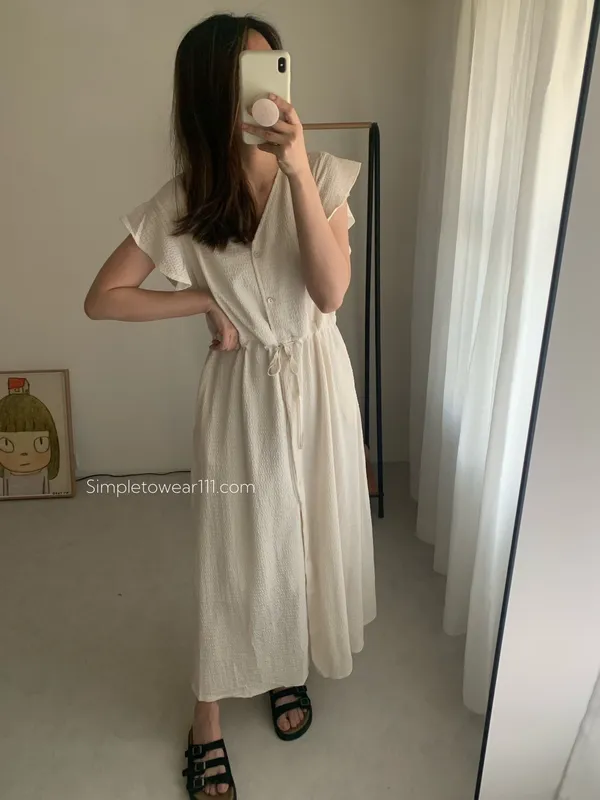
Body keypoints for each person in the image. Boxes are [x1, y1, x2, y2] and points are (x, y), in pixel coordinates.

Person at [84, 13, 376, 799]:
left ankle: (284, 663)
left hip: (319, 382)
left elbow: (329, 292)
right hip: (244, 398)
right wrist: (202, 301)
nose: (264, 89)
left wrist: (296, 170)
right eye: (246, 74)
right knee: (239, 550)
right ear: (209, 92)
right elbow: (103, 298)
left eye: (272, 67)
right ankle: (206, 715)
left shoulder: (323, 175)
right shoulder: (186, 201)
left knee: (307, 533)